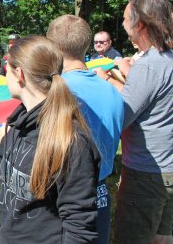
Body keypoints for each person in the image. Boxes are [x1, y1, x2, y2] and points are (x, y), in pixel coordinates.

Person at [0, 36, 100, 243]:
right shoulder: (18, 125)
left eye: (6, 71)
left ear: (20, 75)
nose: (4, 77)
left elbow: (79, 229)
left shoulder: (71, 142)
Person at [95, 0, 172, 244]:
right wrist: (130, 74)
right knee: (162, 236)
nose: (124, 24)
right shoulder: (167, 58)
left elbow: (122, 115)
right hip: (167, 168)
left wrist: (106, 81)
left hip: (146, 174)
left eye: (126, 19)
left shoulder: (150, 65)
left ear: (139, 24)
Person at [46, 14, 124, 244]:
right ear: (88, 45)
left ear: (52, 46)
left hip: (62, 199)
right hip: (100, 195)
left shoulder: (55, 93)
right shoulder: (114, 91)